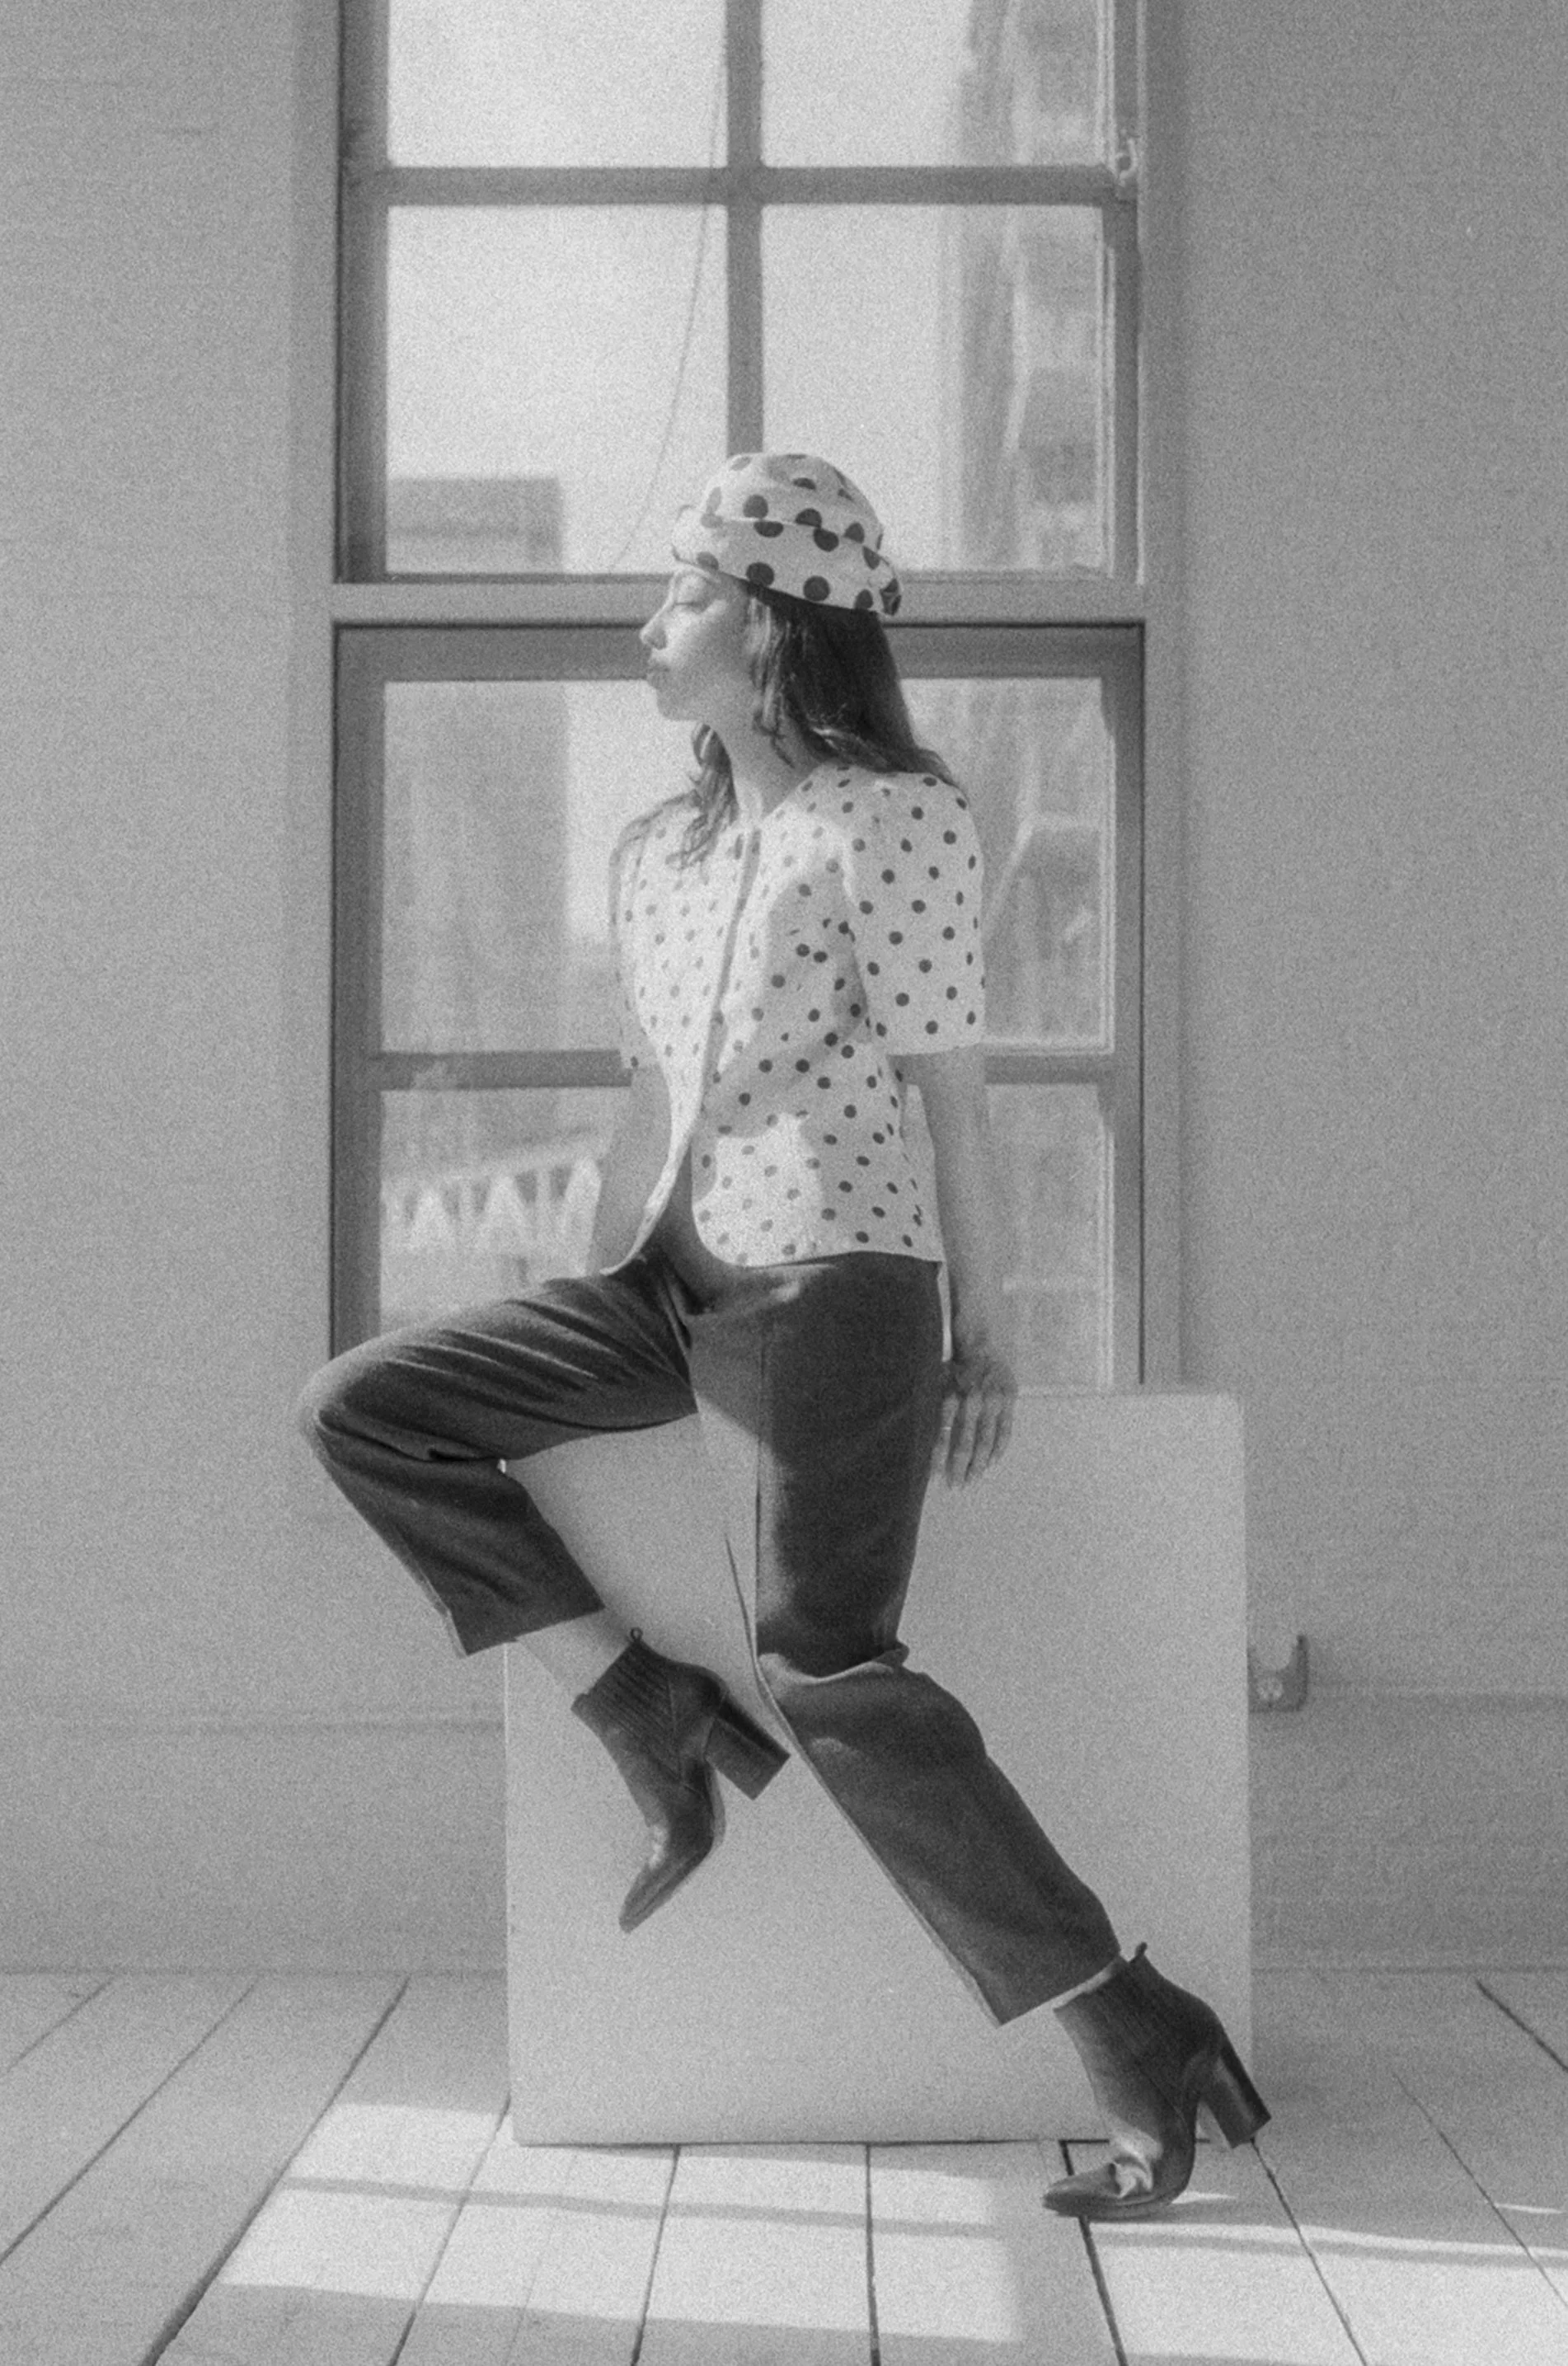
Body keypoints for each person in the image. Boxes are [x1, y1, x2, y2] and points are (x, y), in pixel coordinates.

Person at [297, 451, 1268, 2219]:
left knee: (825, 1661)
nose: (644, 632)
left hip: (836, 1279)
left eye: (672, 600)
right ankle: (642, 1703)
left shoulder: (896, 818)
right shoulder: (659, 853)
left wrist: (988, 1322)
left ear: (757, 627)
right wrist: (583, 1289)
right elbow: (649, 1100)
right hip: (665, 1282)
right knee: (366, 1411)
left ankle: (1128, 2022)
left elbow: (949, 1096)